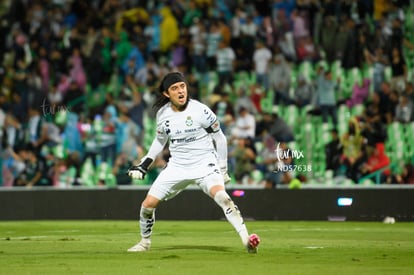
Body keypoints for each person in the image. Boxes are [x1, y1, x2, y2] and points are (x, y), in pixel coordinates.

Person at [126, 72, 260, 253]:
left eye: (182, 86)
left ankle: (247, 240)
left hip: (205, 164)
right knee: (147, 205)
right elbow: (160, 141)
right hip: (177, 166)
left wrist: (222, 168)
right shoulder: (163, 114)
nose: (180, 91)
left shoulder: (201, 110)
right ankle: (144, 242)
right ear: (167, 94)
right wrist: (144, 164)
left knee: (223, 197)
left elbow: (220, 138)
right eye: (175, 88)